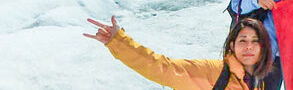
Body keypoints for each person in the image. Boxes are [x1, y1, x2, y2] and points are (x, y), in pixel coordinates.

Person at [84, 16, 273, 90]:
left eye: (255, 42)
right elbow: (162, 68)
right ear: (231, 46)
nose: (249, 47)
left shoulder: (256, 82)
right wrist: (119, 41)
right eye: (243, 41)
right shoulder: (212, 72)